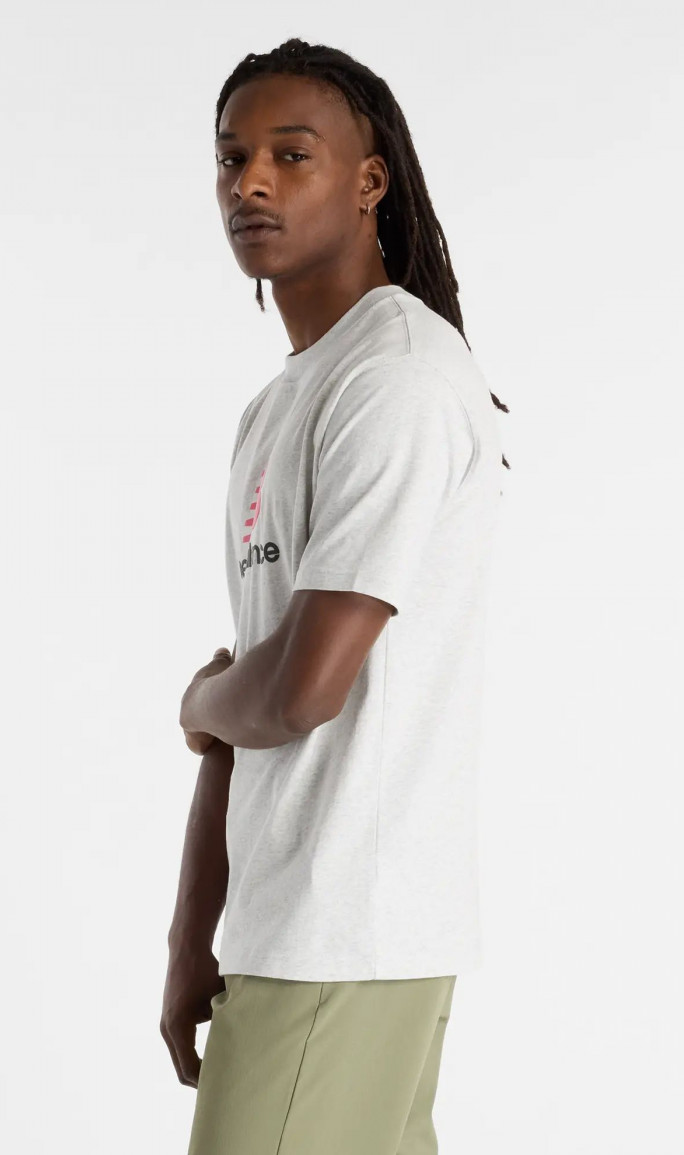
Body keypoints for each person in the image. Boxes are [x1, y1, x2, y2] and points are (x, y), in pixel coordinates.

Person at [161, 38, 510, 1155]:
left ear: (370, 181)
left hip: (345, 933)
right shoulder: (283, 403)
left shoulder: (393, 377)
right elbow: (257, 687)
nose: (251, 183)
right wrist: (194, 935)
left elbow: (294, 690)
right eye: (232, 158)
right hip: (300, 933)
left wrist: (197, 703)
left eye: (290, 155)